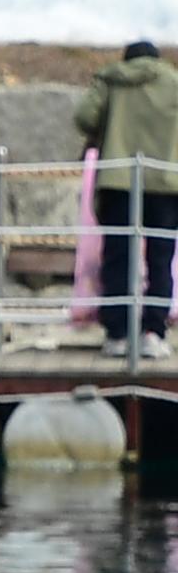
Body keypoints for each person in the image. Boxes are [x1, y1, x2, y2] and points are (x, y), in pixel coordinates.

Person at [76, 41, 178, 350]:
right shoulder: (173, 81)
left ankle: (118, 334)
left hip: (118, 181)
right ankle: (153, 332)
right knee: (160, 258)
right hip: (165, 181)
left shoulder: (111, 80)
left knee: (118, 256)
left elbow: (84, 118)